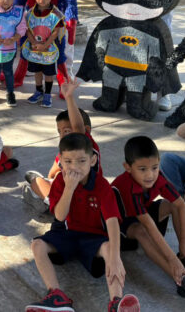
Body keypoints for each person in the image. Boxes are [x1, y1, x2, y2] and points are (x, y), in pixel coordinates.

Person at [27, 133, 139, 312]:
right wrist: (69, 188)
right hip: (66, 233)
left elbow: (112, 222)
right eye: (68, 161)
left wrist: (115, 258)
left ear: (92, 160)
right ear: (60, 161)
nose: (74, 167)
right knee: (37, 245)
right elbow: (60, 216)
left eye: (81, 161)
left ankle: (116, 302)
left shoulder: (102, 185)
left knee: (110, 249)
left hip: (93, 237)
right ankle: (56, 295)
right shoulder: (60, 182)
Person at [112, 136, 185, 303]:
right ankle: (182, 279)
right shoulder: (127, 186)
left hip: (142, 213)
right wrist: (172, 259)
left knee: (171, 204)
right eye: (142, 169)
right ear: (127, 167)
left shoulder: (158, 177)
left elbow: (181, 205)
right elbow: (148, 225)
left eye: (154, 167)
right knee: (141, 231)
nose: (150, 175)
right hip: (120, 227)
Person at [22, 79, 102, 212]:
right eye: (60, 132)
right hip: (71, 195)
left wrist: (69, 97)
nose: (62, 136)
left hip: (80, 199)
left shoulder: (85, 144)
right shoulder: (66, 150)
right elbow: (52, 174)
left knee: (37, 182)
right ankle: (48, 200)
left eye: (67, 131)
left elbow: (78, 127)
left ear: (86, 130)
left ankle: (49, 203)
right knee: (47, 179)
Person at [23, 0, 65, 109]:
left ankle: (47, 94)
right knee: (37, 71)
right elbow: (27, 29)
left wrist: (45, 45)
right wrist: (34, 42)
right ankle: (38, 91)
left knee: (48, 73)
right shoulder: (30, 13)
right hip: (34, 48)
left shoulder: (56, 14)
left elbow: (55, 32)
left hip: (49, 49)